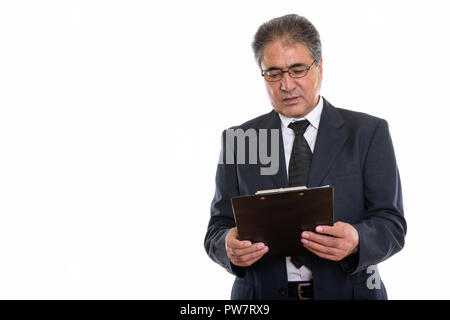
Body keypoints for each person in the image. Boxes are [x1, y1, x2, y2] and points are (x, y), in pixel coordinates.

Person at [204, 14, 406, 300]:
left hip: (349, 292)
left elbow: (392, 224)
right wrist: (227, 244)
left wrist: (358, 240)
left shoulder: (367, 132)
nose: (286, 85)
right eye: (273, 73)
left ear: (320, 67)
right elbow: (217, 228)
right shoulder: (241, 139)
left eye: (297, 69)